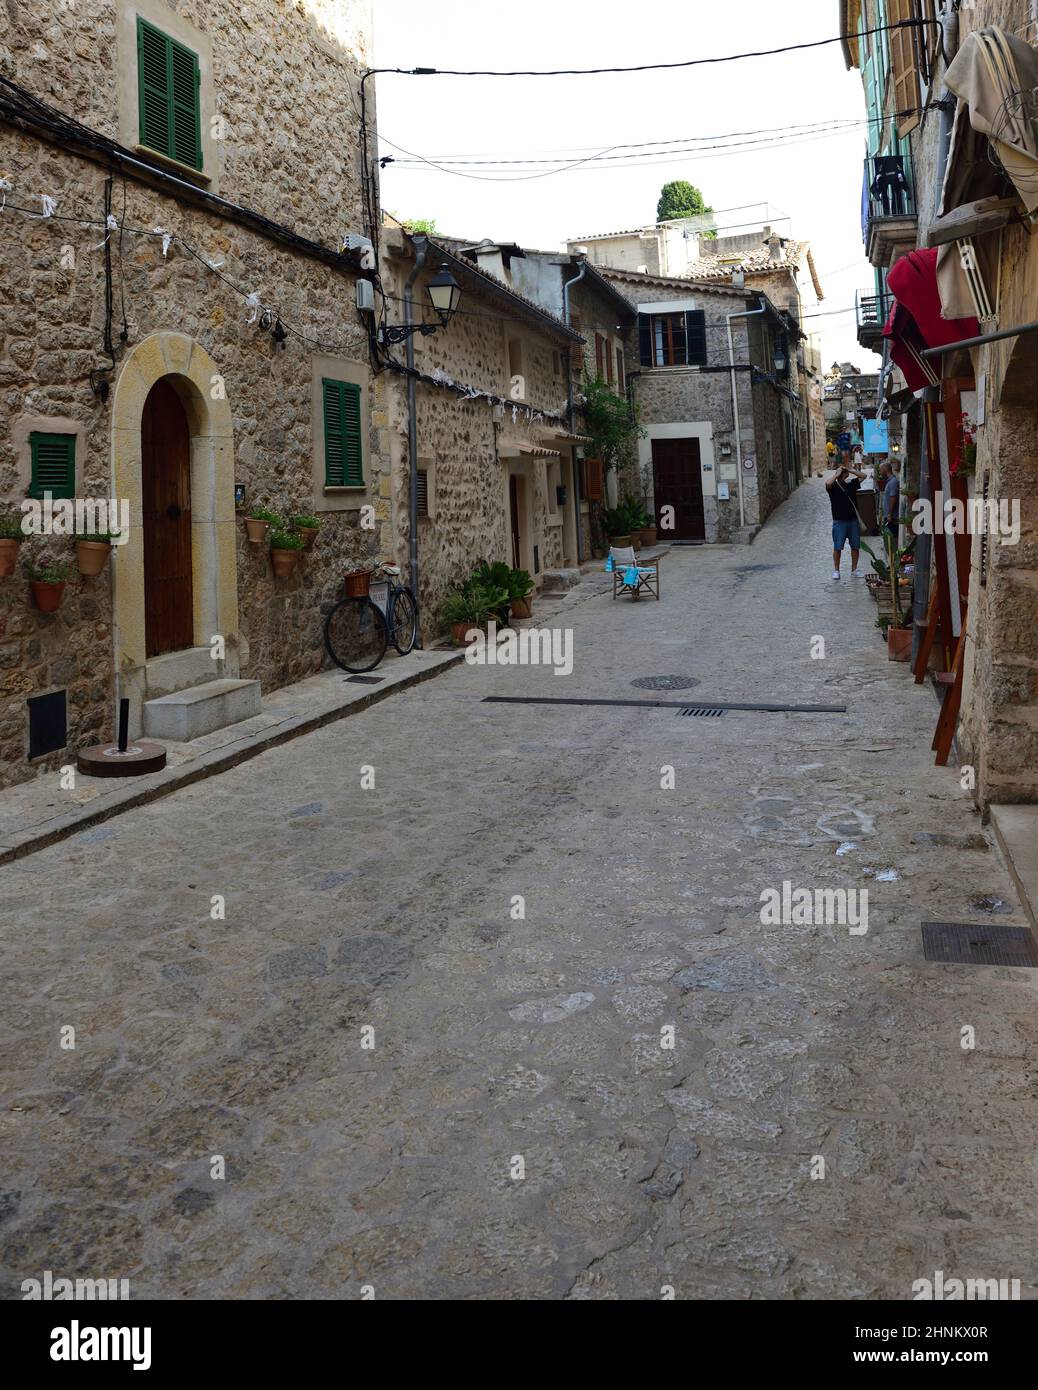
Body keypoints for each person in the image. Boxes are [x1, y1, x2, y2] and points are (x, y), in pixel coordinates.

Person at [825, 455, 865, 579]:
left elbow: (863, 476)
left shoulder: (852, 484)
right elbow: (828, 483)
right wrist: (836, 474)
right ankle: (836, 571)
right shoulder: (833, 487)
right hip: (839, 521)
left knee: (855, 546)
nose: (844, 475)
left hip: (853, 521)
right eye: (843, 474)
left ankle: (854, 570)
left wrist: (850, 469)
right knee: (838, 547)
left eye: (844, 474)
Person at [878, 459, 900, 556]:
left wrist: (890, 514)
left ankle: (893, 560)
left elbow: (893, 498)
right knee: (889, 540)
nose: (879, 472)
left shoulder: (893, 482)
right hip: (889, 516)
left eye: (880, 470)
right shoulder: (890, 481)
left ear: (885, 470)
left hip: (892, 517)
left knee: (892, 540)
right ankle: (891, 560)